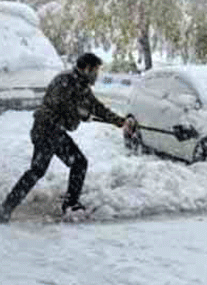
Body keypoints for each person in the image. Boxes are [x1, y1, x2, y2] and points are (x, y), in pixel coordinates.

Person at [0, 53, 128, 223]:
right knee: (38, 170)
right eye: (95, 71)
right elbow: (62, 105)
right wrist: (82, 114)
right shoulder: (64, 81)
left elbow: (97, 107)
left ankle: (71, 204)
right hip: (45, 129)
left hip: (56, 133)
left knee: (78, 162)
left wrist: (120, 122)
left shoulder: (82, 86)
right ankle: (6, 208)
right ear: (86, 68)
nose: (96, 75)